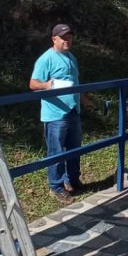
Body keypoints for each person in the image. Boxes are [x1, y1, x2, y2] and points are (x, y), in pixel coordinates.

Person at [29, 24, 94, 205]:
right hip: (55, 114)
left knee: (75, 149)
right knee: (56, 152)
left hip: (73, 111)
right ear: (54, 39)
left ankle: (73, 180)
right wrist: (46, 86)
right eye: (63, 37)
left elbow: (75, 84)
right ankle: (56, 187)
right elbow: (33, 84)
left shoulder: (71, 57)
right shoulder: (46, 59)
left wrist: (85, 101)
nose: (67, 40)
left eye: (69, 37)